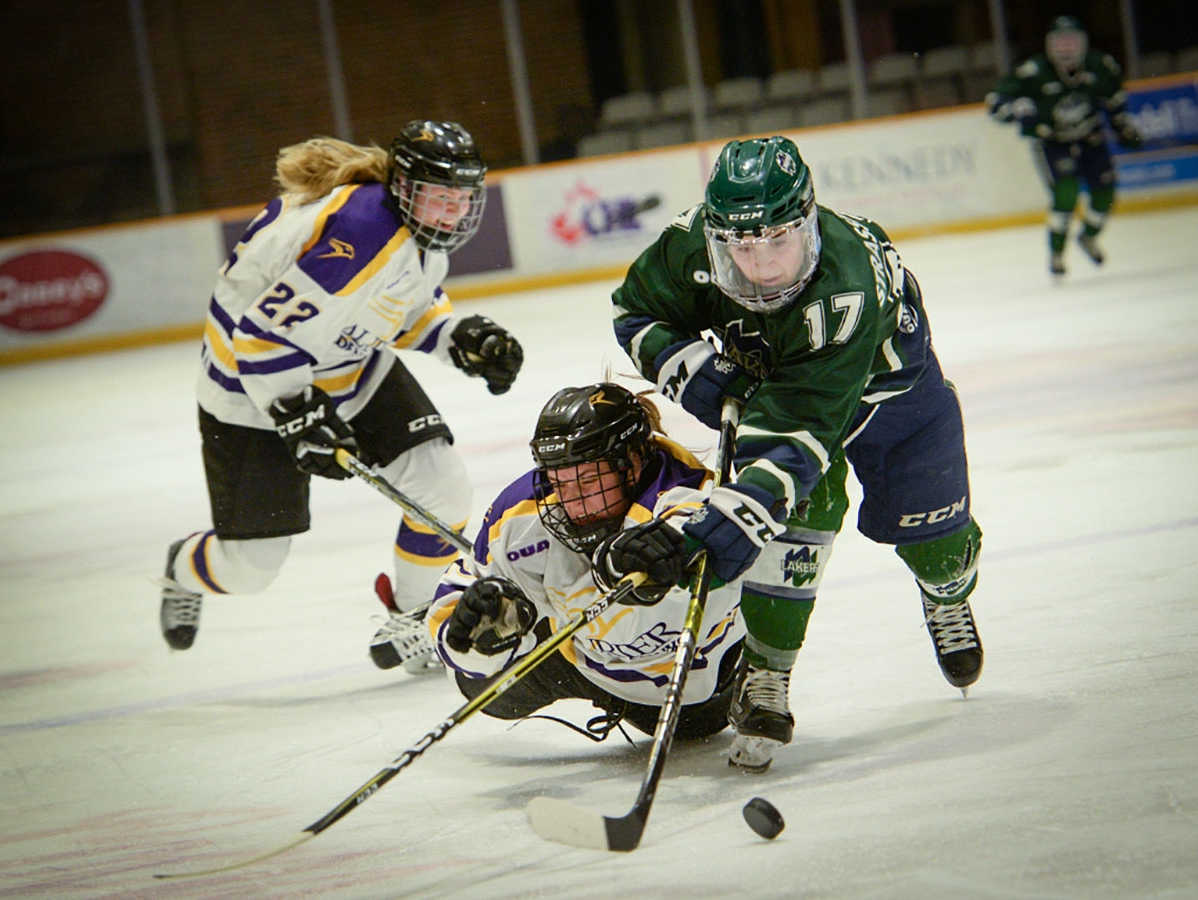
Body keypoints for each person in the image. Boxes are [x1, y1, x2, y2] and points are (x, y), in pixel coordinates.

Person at [609, 134, 984, 772]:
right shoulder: (691, 244)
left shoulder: (845, 287)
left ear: (806, 219)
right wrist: (692, 366)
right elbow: (636, 311)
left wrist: (734, 511)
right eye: (742, 247)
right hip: (788, 397)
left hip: (897, 408)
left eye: (778, 241)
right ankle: (767, 674)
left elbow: (801, 431)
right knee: (794, 528)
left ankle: (947, 597)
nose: (761, 266)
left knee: (935, 545)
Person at [158, 120, 523, 675]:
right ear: (403, 187)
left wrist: (458, 339)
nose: (451, 213)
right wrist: (298, 417)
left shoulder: (414, 235)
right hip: (250, 392)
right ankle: (181, 567)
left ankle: (419, 615)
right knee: (251, 567)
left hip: (345, 365)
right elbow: (257, 338)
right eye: (437, 198)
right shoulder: (361, 231)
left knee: (441, 487)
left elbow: (389, 314)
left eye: (460, 199)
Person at [426, 382, 745, 742]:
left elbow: (732, 569)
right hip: (583, 662)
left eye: (589, 481)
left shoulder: (688, 498)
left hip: (688, 692)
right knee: (478, 684)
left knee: (694, 727)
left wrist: (665, 568)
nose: (572, 502)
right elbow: (457, 597)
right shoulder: (521, 515)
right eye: (559, 483)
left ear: (633, 464)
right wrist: (472, 632)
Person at [987, 15, 1143, 275]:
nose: (1066, 48)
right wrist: (1015, 109)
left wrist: (1124, 129)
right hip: (1052, 143)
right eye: (1060, 42)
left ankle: (1088, 236)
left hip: (1090, 140)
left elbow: (1115, 102)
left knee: (1105, 195)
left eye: (1072, 42)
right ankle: (1057, 253)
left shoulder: (1100, 66)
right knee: (1066, 193)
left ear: (1083, 44)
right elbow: (994, 102)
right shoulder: (1034, 71)